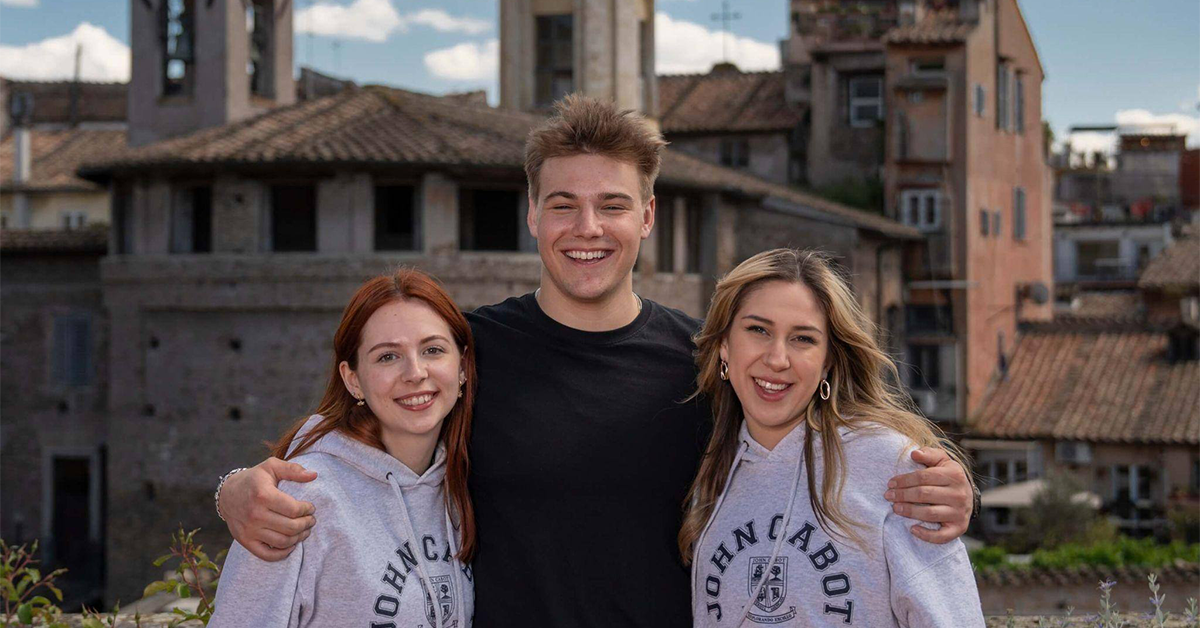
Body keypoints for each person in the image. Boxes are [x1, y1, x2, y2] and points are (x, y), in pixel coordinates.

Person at [213, 95, 977, 627]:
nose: (588, 228)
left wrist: (940, 484)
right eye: (564, 205)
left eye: (612, 204)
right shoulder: (467, 355)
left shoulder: (708, 366)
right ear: (532, 214)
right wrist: (236, 490)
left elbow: (818, 434)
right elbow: (353, 451)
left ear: (646, 215)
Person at [683, 248, 984, 627]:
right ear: (725, 345)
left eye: (803, 339)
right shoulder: (712, 469)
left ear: (827, 360)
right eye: (758, 330)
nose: (777, 359)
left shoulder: (888, 464)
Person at [209, 269, 476, 627]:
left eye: (432, 350)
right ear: (353, 380)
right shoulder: (301, 501)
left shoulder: (467, 482)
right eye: (387, 357)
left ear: (461, 367)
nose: (415, 372)